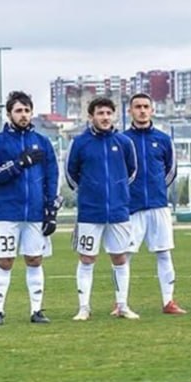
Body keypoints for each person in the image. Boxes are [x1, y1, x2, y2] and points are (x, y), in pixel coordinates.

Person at [0, 90, 59, 325]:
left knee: (35, 259)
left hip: (35, 213)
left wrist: (51, 209)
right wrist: (18, 163)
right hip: (7, 212)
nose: (24, 114)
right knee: (5, 260)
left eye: (27, 110)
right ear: (9, 114)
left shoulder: (43, 142)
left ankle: (36, 310)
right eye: (19, 110)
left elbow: (52, 176)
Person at [65, 97, 139, 321]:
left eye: (109, 113)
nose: (105, 117)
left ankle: (122, 305)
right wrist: (88, 191)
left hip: (118, 211)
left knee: (120, 258)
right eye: (100, 113)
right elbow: (71, 174)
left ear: (114, 115)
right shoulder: (80, 143)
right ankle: (84, 307)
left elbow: (132, 172)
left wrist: (118, 192)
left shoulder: (124, 142)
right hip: (90, 212)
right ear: (91, 116)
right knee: (87, 258)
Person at [124, 93, 187, 314]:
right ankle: (120, 302)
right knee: (124, 255)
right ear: (130, 111)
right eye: (137, 107)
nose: (142, 111)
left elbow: (170, 171)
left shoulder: (163, 139)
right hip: (131, 207)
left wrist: (157, 188)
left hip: (158, 205)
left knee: (164, 253)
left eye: (146, 107)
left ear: (152, 110)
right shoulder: (123, 140)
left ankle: (168, 301)